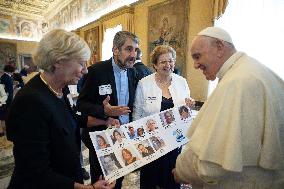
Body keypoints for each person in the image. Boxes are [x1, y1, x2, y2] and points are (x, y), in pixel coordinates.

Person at [172, 27, 284, 188]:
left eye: (197, 56)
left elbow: (212, 163)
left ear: (219, 47)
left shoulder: (237, 82)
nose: (195, 65)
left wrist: (182, 172)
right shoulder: (252, 70)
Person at [6, 29, 114, 189]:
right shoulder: (30, 101)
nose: (85, 70)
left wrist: (105, 120)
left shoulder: (61, 88)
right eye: (81, 63)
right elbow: (35, 172)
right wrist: (90, 188)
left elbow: (71, 119)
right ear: (58, 61)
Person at [77, 31, 139, 189]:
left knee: (118, 179)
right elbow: (82, 104)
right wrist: (105, 111)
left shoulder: (133, 72)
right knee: (102, 182)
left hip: (122, 136)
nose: (134, 55)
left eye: (135, 50)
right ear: (115, 50)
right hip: (100, 138)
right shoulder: (96, 71)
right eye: (129, 49)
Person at [133, 44, 195, 189]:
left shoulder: (181, 82)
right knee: (150, 180)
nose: (168, 65)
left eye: (171, 61)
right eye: (163, 62)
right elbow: (137, 113)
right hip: (151, 142)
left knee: (171, 180)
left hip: (174, 141)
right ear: (155, 64)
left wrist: (189, 105)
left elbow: (186, 110)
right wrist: (137, 140)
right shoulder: (144, 83)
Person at [0, 64, 14, 137]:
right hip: (7, 99)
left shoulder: (3, 76)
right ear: (10, 71)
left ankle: (2, 131)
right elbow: (8, 91)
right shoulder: (8, 78)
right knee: (6, 116)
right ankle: (6, 132)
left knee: (2, 116)